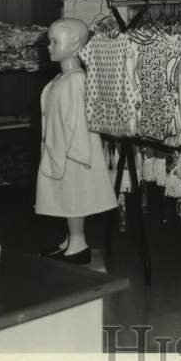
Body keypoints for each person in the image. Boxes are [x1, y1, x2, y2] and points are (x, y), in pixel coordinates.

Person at [35, 17, 117, 264]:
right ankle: (70, 240)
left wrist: (75, 153)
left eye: (54, 41)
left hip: (73, 152)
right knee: (65, 197)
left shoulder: (76, 80)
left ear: (75, 46)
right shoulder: (62, 79)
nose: (49, 47)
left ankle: (78, 245)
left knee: (74, 199)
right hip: (60, 148)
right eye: (49, 41)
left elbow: (79, 122)